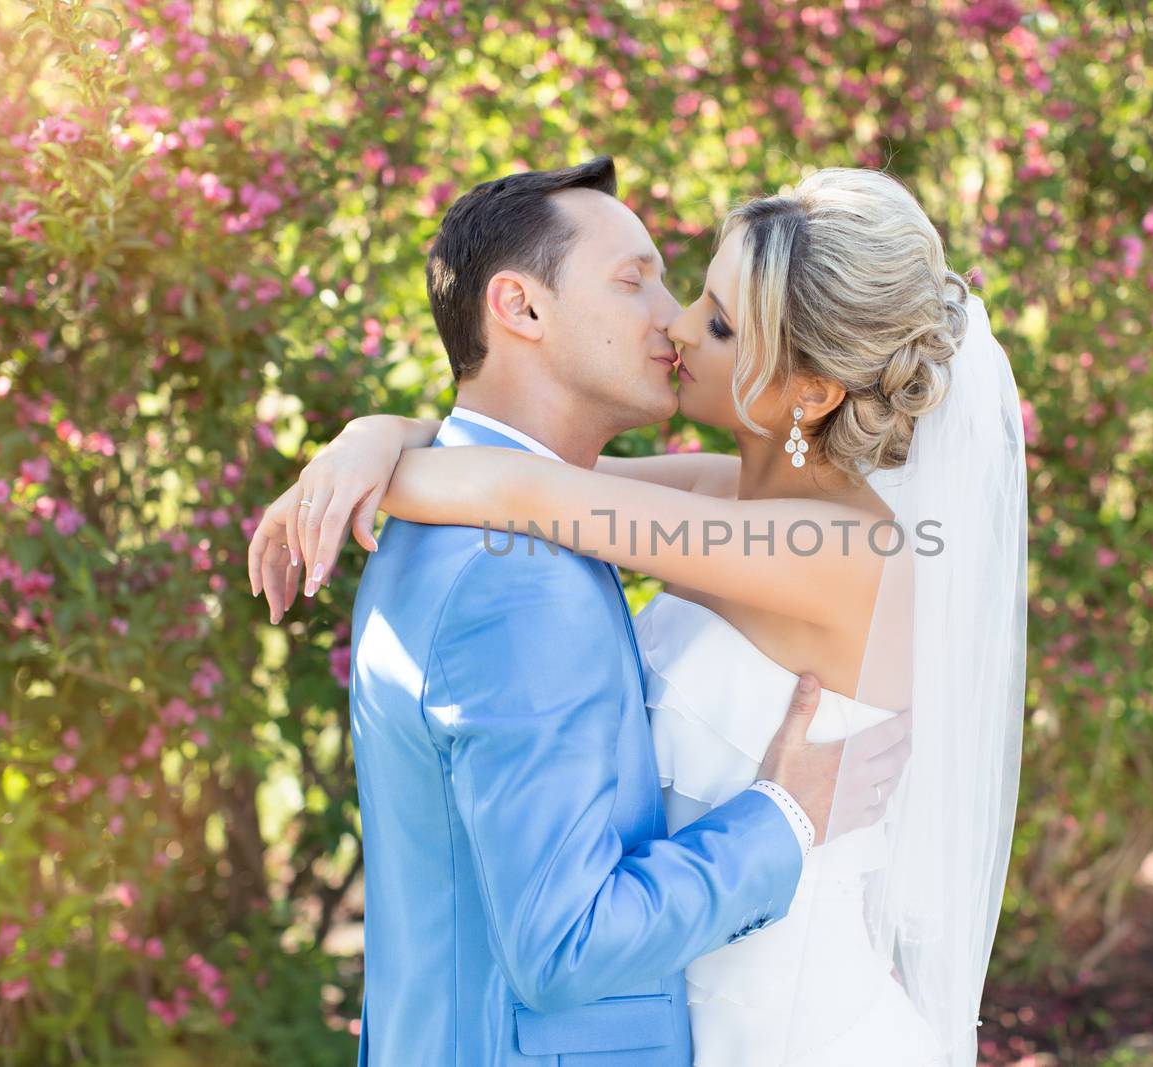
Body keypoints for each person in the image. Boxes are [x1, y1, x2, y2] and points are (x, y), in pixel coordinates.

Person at [250, 161, 1028, 1066]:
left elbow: (516, 486)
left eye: (722, 323)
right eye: (695, 295)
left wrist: (351, 468)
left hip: (799, 1032)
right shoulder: (722, 496)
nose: (678, 325)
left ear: (811, 391)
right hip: (710, 1005)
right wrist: (369, 439)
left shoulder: (841, 554)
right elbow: (530, 475)